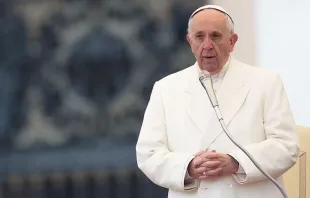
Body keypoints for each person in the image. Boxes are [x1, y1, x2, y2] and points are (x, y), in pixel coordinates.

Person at [136, 4, 300, 198]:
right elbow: (149, 154)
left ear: (232, 41)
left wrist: (235, 162)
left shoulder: (265, 82)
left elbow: (286, 146)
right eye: (199, 37)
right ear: (190, 42)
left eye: (215, 36)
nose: (207, 45)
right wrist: (188, 166)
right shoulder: (166, 89)